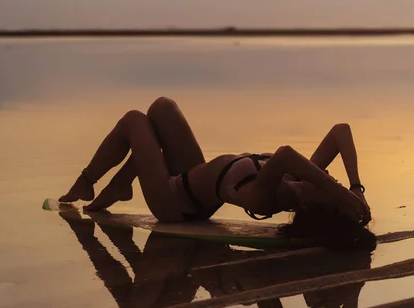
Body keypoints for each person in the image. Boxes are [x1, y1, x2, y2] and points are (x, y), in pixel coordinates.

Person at [59, 97, 374, 250]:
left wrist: (339, 192)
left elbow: (285, 155)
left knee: (134, 119)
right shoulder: (307, 178)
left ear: (320, 200)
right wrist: (355, 188)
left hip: (174, 203)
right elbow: (340, 131)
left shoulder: (267, 197)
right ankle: (121, 185)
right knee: (161, 108)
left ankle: (88, 183)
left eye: (332, 185)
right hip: (191, 172)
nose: (331, 178)